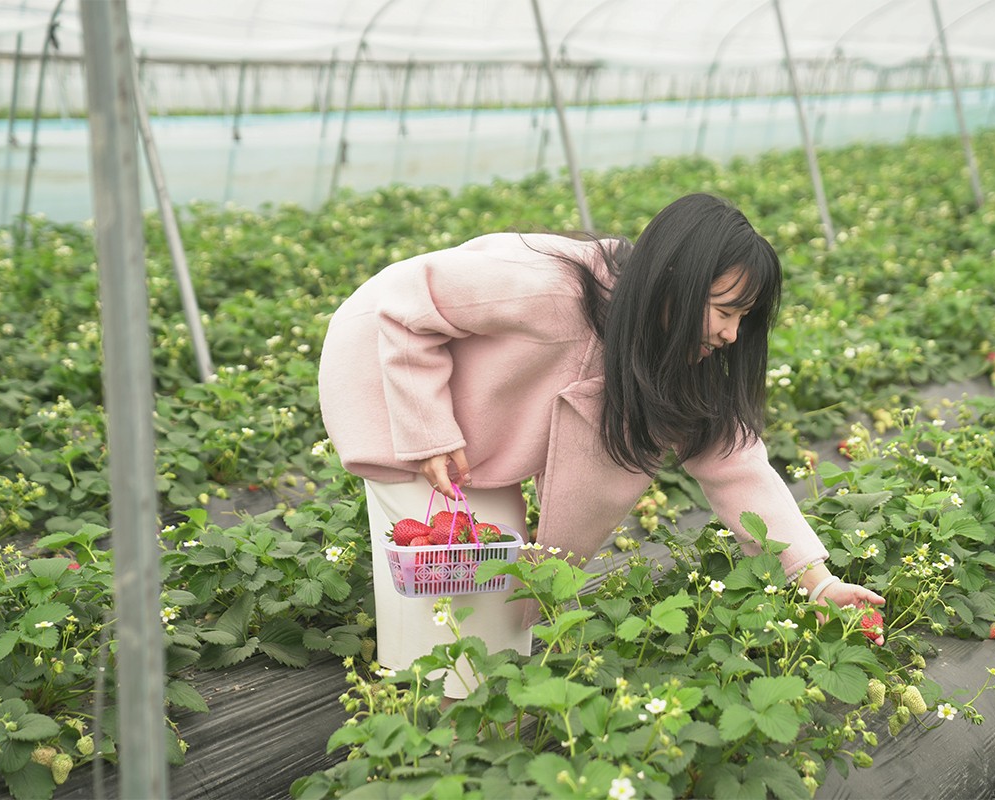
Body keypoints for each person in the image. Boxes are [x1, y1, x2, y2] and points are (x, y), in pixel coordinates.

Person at [318, 193, 885, 697]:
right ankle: (414, 721)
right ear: (675, 283)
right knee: (458, 599)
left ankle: (441, 708)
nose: (732, 335)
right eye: (724, 312)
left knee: (499, 612)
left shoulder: (676, 354)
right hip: (388, 374)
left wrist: (817, 581)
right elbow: (406, 300)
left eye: (743, 318)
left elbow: (735, 462)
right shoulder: (554, 291)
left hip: (478, 432)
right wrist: (427, 430)